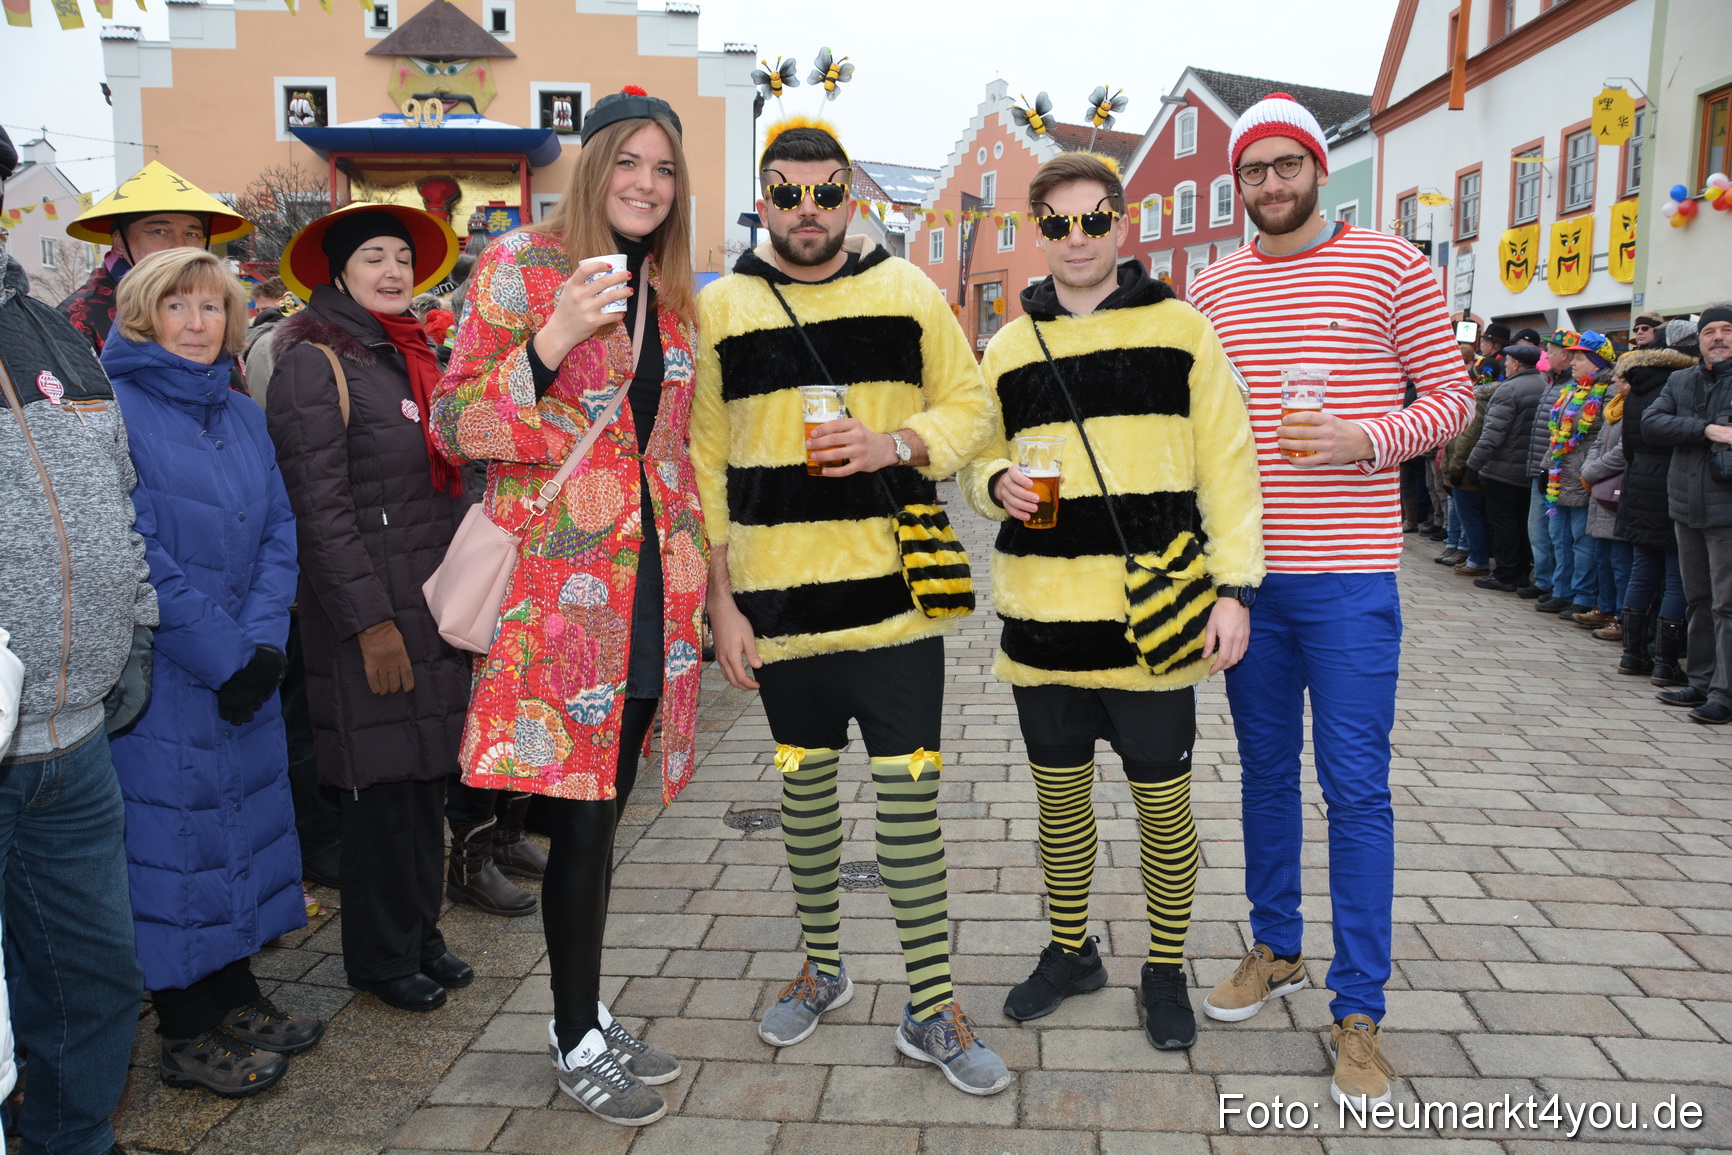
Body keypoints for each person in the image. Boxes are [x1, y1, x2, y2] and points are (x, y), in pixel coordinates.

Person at [692, 120, 1011, 1097]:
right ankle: (823, 971)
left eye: (825, 194)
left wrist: (896, 445)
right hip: (781, 614)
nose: (807, 212)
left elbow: (973, 406)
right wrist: (722, 606)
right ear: (764, 200)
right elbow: (704, 461)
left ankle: (931, 1008)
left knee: (910, 811)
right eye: (786, 195)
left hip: (894, 613)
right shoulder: (723, 309)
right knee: (805, 805)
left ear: (851, 200)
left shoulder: (908, 291)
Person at [1184, 93, 1474, 1108]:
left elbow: (1451, 396)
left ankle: (1359, 1010)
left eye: (1285, 165)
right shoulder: (1211, 285)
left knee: (1353, 788)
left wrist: (1365, 439)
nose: (1270, 183)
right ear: (1239, 184)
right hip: (1249, 581)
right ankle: (1276, 948)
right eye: (1252, 170)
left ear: (1316, 169)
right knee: (1264, 775)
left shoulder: (1392, 264)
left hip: (1351, 577)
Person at [430, 86, 707, 1128]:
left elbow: (671, 450)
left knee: (602, 818)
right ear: (592, 167)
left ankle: (582, 1011)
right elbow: (459, 423)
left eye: (665, 168)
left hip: (649, 594)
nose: (647, 183)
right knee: (581, 820)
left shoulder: (669, 292)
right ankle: (573, 1030)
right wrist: (547, 341)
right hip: (561, 596)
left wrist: (704, 583)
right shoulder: (522, 267)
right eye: (629, 162)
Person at [957, 152, 1263, 1051]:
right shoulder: (1009, 345)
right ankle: (1071, 950)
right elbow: (976, 456)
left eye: (1094, 219)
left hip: (1153, 616)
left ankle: (1164, 966)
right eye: (1057, 222)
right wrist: (994, 482)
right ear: (1040, 232)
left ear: (1121, 225)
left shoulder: (1182, 330)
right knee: (1059, 805)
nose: (1077, 237)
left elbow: (1230, 470)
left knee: (1164, 805)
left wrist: (1236, 590)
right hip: (1044, 616)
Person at [100, 248, 317, 1097]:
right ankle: (184, 1022)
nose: (198, 323)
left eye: (213, 306)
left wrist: (262, 646)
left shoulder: (241, 413)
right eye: (177, 307)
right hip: (169, 675)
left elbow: (278, 531)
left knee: (242, 831)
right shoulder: (112, 411)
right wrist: (227, 652)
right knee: (173, 844)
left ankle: (234, 987)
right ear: (142, 317)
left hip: (246, 670)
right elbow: (135, 551)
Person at [265, 201, 478, 1011]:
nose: (392, 271)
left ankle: (421, 934)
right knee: (378, 793)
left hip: (429, 609)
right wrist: (369, 622)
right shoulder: (312, 361)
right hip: (370, 620)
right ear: (338, 273)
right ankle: (380, 958)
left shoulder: (406, 352)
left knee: (425, 782)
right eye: (373, 259)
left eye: (400, 257)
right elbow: (319, 511)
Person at [0, 124, 157, 1155]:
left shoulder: (51, 331)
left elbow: (115, 497)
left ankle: (73, 1142)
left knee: (95, 972)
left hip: (69, 738)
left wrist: (134, 629)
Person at [59, 161, 254, 357]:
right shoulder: (79, 320)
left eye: (191, 234)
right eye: (159, 231)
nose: (180, 246)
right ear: (119, 242)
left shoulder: (214, 306)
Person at [1643, 303, 1732, 724]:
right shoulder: (1680, 379)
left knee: (1726, 605)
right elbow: (1652, 423)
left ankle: (1724, 693)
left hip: (1726, 509)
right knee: (1698, 599)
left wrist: (1688, 426)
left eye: (1726, 330)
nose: (1718, 337)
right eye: (1709, 331)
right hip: (1685, 505)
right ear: (1698, 341)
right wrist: (1707, 429)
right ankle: (1700, 681)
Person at [1618, 347, 1701, 679]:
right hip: (1670, 484)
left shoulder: (1637, 388)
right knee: (1675, 576)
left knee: (1642, 570)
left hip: (1638, 481)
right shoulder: (1679, 386)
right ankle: (1665, 662)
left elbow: (1626, 446)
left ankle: (1632, 656)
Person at [1536, 332, 1617, 622]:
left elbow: (1601, 435)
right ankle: (1562, 590)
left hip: (1583, 475)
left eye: (1579, 358)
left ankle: (1582, 597)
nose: (1573, 362)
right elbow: (1557, 434)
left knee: (1582, 541)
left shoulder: (1607, 390)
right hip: (1560, 473)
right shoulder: (1572, 388)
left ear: (1596, 362)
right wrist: (1547, 467)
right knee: (1559, 537)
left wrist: (1589, 470)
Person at [1466, 344, 1548, 592]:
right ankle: (1522, 571)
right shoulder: (1543, 385)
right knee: (1522, 523)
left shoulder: (1508, 389)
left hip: (1504, 468)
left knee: (1503, 523)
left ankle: (1505, 573)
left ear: (1517, 364)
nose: (1505, 365)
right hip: (1529, 467)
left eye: (1508, 361)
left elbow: (1493, 434)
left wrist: (1473, 463)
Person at [1578, 367, 1632, 638]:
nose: (1612, 379)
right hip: (1601, 487)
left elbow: (1623, 451)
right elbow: (1599, 443)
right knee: (1603, 558)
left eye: (1619, 376)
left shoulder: (1635, 407)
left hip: (1618, 490)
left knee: (1621, 562)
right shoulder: (1615, 406)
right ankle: (1605, 607)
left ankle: (1622, 617)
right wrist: (1590, 469)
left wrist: (1592, 471)